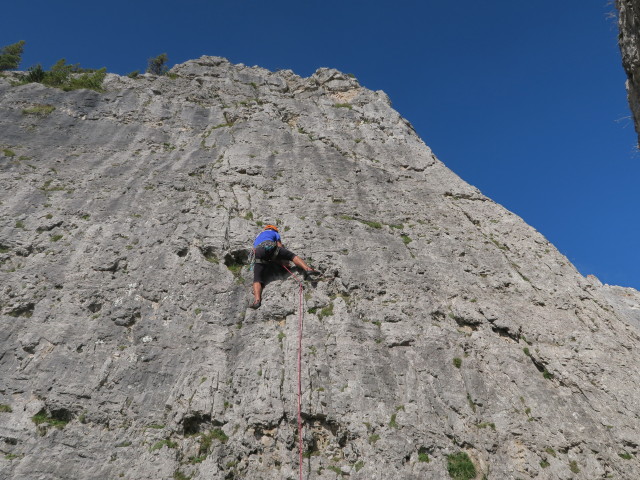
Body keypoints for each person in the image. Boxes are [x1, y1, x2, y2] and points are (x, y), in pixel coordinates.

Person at [249, 225, 318, 309]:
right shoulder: (274, 233)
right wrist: (283, 259)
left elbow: (266, 254)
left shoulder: (259, 235)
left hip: (258, 252)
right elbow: (279, 246)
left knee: (257, 278)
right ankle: (308, 269)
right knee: (292, 256)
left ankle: (257, 301)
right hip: (270, 246)